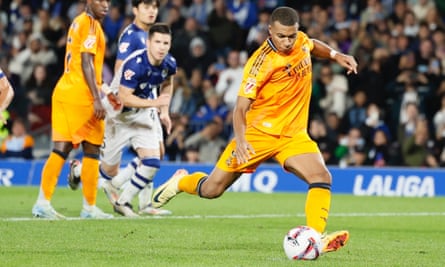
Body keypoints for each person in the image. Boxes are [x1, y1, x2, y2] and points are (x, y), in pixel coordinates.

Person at [151, 7, 357, 254]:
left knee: (322, 178)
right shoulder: (260, 63)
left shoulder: (300, 41)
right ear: (270, 31)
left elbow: (311, 44)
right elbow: (240, 109)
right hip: (256, 135)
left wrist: (336, 54)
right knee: (212, 189)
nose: (288, 41)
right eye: (281, 36)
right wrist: (240, 141)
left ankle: (314, 238)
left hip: (292, 135)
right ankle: (180, 182)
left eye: (291, 35)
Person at [69, 0, 172, 216]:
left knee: (155, 154)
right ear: (135, 10)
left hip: (146, 102)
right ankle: (84, 172)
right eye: (146, 7)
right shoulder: (132, 35)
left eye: (154, 7)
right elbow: (121, 70)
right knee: (110, 169)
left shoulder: (155, 37)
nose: (152, 11)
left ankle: (142, 204)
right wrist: (125, 100)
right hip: (125, 105)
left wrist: (161, 108)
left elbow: (165, 76)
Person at [32, 0, 116, 219]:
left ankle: (43, 203)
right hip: (81, 96)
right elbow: (86, 61)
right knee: (92, 149)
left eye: (108, 1)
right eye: (100, 1)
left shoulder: (79, 22)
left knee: (61, 149)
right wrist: (97, 99)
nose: (105, 5)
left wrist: (104, 88)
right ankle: (88, 208)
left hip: (65, 90)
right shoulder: (89, 25)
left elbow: (84, 65)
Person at [98, 22, 175, 217]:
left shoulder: (169, 63)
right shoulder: (135, 64)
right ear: (148, 42)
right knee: (107, 171)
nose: (162, 47)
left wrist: (164, 111)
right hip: (117, 118)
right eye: (157, 42)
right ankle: (80, 170)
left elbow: (167, 83)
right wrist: (155, 103)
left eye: (165, 43)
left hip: (141, 115)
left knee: (152, 160)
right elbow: (124, 98)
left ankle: (124, 202)